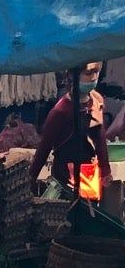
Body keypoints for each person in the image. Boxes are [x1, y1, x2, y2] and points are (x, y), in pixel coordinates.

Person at [30, 64, 114, 197]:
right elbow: (43, 149)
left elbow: (100, 138)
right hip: (65, 180)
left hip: (89, 178)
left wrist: (105, 171)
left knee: (89, 212)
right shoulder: (60, 111)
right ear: (71, 75)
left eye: (96, 72)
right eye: (88, 73)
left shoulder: (97, 101)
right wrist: (30, 181)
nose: (93, 78)